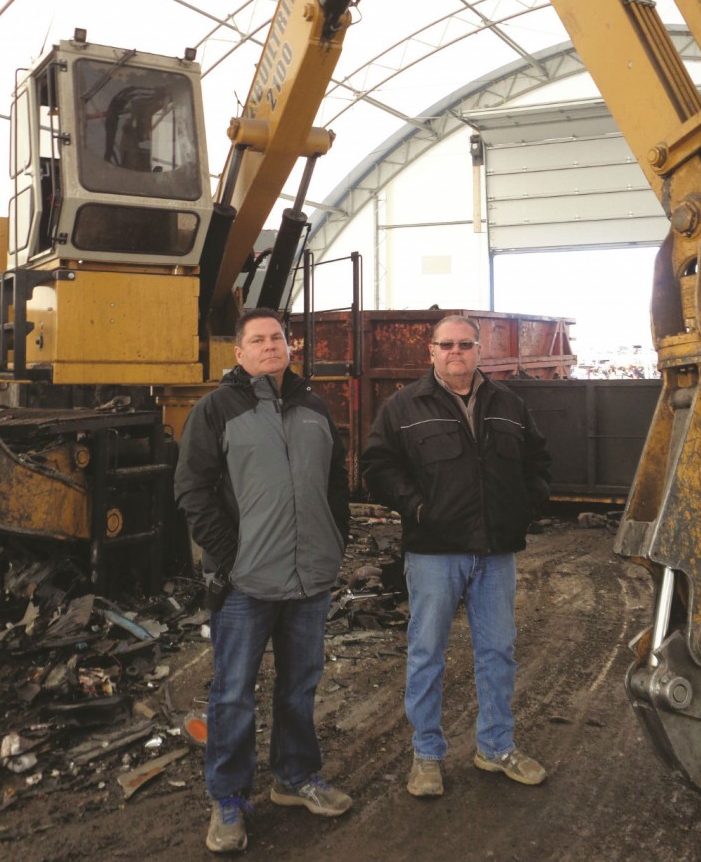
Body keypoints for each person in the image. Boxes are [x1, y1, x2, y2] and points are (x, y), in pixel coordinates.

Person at [174, 307, 352, 854]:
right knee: (232, 695)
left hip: (309, 580)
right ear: (239, 352)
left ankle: (295, 779)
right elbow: (192, 490)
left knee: (299, 687)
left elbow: (336, 485)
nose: (270, 346)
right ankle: (228, 798)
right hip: (244, 584)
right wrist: (229, 559)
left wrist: (334, 544)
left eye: (278, 337)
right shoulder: (216, 410)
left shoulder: (315, 407)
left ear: (289, 347)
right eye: (258, 339)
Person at [362, 314, 551, 798]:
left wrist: (526, 507)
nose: (456, 353)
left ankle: (496, 746)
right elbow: (378, 465)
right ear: (430, 351)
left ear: (479, 349)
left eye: (465, 345)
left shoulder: (508, 405)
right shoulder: (404, 406)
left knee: (498, 651)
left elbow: (538, 461)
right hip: (434, 552)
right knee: (427, 653)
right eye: (446, 345)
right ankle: (426, 755)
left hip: (495, 553)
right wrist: (418, 506)